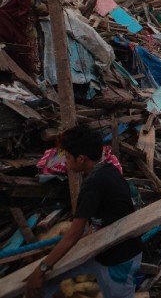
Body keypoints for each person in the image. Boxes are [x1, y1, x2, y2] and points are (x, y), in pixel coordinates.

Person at [24, 125, 143, 298]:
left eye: (68, 157)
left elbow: (74, 234)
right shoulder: (108, 169)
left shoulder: (93, 185)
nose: (65, 161)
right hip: (100, 249)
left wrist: (41, 268)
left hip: (118, 261)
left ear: (81, 159)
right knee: (51, 278)